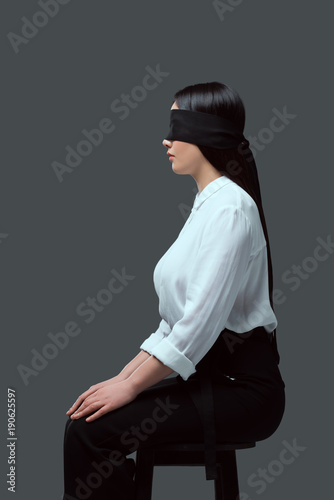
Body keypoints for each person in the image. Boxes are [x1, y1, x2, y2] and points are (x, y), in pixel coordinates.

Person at [62, 81, 285, 500]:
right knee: (86, 421)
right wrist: (121, 378)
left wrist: (130, 388)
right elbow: (173, 326)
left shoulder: (231, 209)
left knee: (91, 434)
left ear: (205, 133)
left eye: (176, 125)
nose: (166, 139)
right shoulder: (207, 206)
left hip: (243, 391)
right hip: (209, 379)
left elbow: (198, 327)